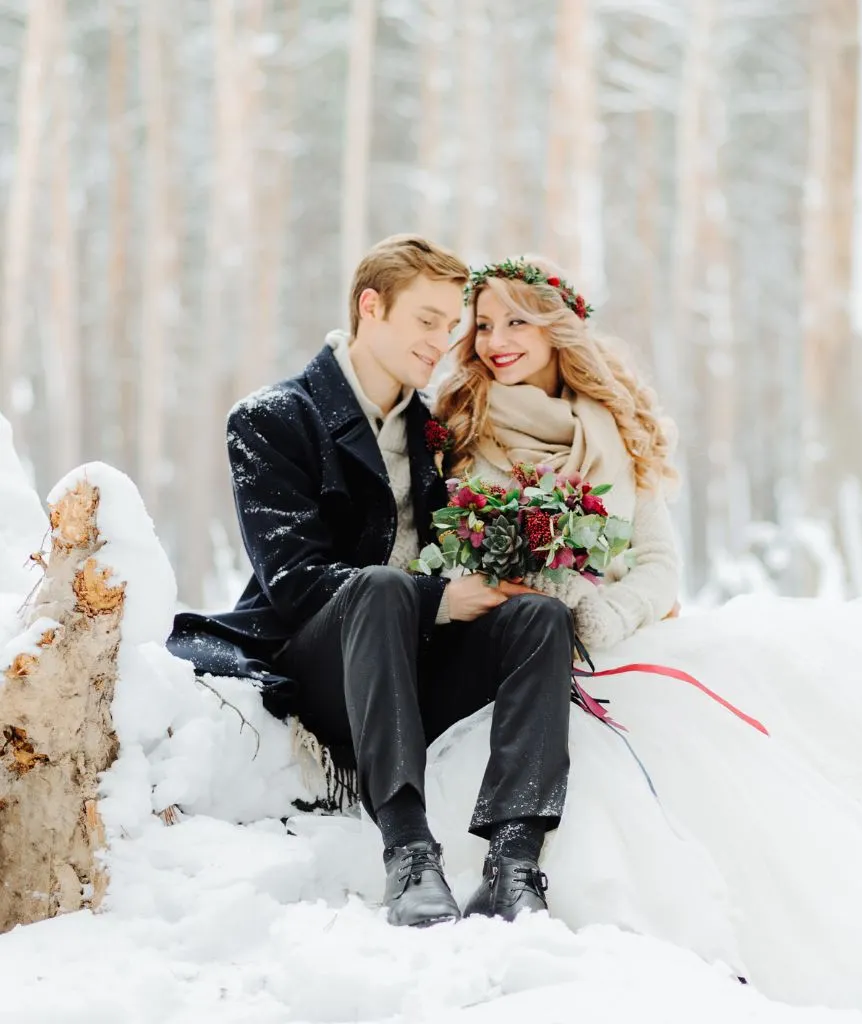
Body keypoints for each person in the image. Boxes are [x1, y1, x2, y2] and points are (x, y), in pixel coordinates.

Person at [424, 255, 862, 1008]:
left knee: (723, 744)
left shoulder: (611, 428)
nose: (496, 340)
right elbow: (440, 553)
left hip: (616, 640)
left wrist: (607, 612)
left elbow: (658, 565)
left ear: (556, 328)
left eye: (516, 320)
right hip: (509, 652)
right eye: (482, 324)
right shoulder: (460, 430)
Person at [167, 236, 576, 929]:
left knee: (541, 619)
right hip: (322, 671)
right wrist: (437, 598)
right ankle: (410, 853)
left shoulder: (437, 433)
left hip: (415, 665)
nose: (441, 342)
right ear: (370, 307)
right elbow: (295, 582)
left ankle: (514, 861)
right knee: (381, 587)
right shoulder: (272, 419)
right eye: (426, 320)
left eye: (451, 327)